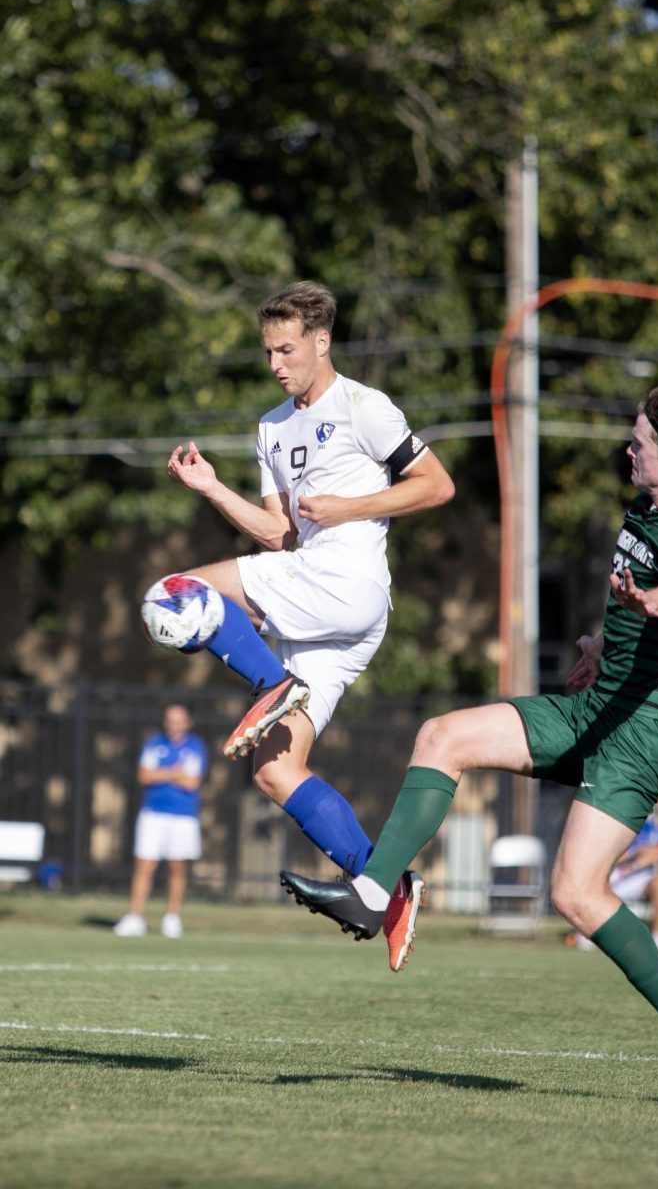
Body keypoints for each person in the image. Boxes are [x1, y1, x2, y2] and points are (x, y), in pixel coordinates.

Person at [280, 376, 658, 1108]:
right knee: (442, 736)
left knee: (575, 894)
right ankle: (373, 895)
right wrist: (600, 639)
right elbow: (638, 620)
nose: (629, 448)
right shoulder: (641, 507)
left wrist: (653, 600)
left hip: (642, 737)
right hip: (595, 705)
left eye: (641, 442)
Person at [144, 280, 454, 971]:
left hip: (345, 586)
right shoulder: (270, 427)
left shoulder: (363, 407)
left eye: (288, 349)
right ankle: (387, 886)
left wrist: (351, 507)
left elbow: (437, 485)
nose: (277, 363)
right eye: (268, 351)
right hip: (323, 607)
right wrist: (212, 489)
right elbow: (279, 535)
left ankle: (269, 681)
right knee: (275, 771)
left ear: (322, 342)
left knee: (172, 593)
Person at [114, 703, 208, 938]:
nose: (174, 725)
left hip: (183, 816)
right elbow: (144, 776)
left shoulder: (196, 747)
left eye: (179, 720)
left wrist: (162, 774)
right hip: (152, 813)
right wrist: (175, 772)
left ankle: (172, 917)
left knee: (177, 867)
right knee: (144, 865)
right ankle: (136, 916)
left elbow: (192, 782)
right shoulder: (154, 743)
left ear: (187, 722)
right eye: (170, 720)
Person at [572, 814, 658, 953]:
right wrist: (634, 853)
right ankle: (589, 933)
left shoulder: (654, 825)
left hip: (639, 877)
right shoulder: (614, 821)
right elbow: (604, 855)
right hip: (612, 875)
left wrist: (632, 866)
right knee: (589, 886)